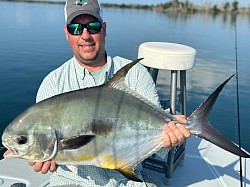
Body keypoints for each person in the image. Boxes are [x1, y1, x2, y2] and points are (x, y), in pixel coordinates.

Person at [28, 0, 190, 186]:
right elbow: (50, 149)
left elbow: (157, 141)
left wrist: (170, 140)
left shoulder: (135, 74)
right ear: (67, 33)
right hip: (71, 180)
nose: (85, 35)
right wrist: (44, 158)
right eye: (76, 28)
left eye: (93, 27)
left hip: (127, 181)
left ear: (104, 29)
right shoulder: (53, 84)